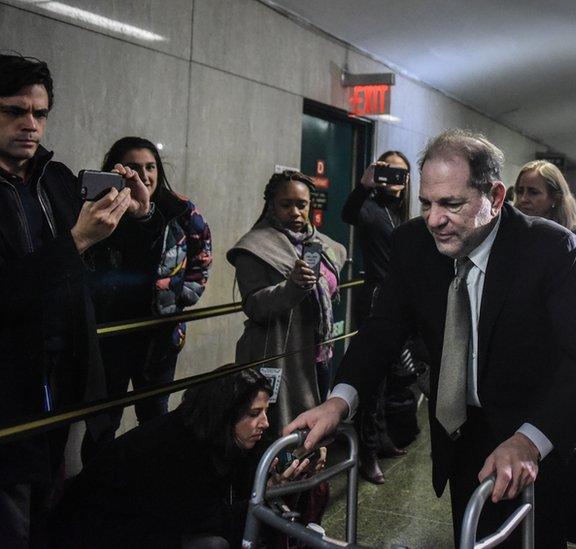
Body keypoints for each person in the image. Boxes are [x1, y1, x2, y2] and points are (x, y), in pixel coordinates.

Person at [286, 129, 576, 548]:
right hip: (462, 436)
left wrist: (531, 440)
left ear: (495, 197)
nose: (434, 219)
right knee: (471, 536)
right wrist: (339, 400)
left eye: (451, 204)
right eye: (426, 203)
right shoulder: (413, 243)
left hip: (535, 437)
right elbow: (383, 330)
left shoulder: (549, 249)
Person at [0, 54, 147, 548]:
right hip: (9, 379)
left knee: (51, 496)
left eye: (40, 113)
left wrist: (135, 215)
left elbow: (107, 268)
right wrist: (77, 241)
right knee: (12, 507)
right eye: (14, 111)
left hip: (62, 369)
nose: (30, 124)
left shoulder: (55, 178)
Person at [54, 368, 318, 548]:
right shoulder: (177, 450)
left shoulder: (213, 431)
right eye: (253, 414)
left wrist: (300, 456)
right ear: (224, 413)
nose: (265, 422)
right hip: (98, 534)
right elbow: (210, 517)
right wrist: (266, 491)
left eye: (266, 411)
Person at [82, 136, 212, 462]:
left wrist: (180, 294)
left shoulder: (179, 209)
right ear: (118, 171)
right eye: (135, 167)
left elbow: (202, 255)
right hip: (109, 332)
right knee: (102, 420)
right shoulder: (101, 210)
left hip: (160, 332)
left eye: (151, 167)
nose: (145, 175)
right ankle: (96, 490)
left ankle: (145, 488)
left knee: (155, 415)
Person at [228, 170, 346, 437]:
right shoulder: (255, 247)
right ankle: (273, 477)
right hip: (278, 353)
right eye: (286, 204)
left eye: (302, 204)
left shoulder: (324, 247)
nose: (295, 212)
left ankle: (311, 474)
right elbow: (254, 305)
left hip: (320, 353)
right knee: (277, 426)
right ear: (271, 205)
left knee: (316, 419)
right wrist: (291, 287)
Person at [341, 150, 422, 484]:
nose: (394, 179)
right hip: (375, 299)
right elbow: (347, 213)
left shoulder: (404, 215)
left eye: (401, 174)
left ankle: (383, 438)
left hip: (402, 300)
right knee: (372, 380)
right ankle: (366, 453)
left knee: (394, 376)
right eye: (388, 171)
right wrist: (363, 186)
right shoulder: (369, 208)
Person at [513, 160, 576, 270]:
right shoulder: (510, 234)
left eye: (533, 192)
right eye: (520, 191)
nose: (523, 199)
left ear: (555, 198)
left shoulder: (575, 238)